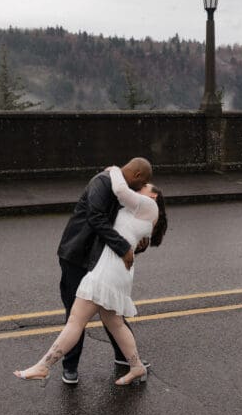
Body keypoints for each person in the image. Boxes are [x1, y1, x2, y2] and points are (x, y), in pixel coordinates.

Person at [15, 166, 167, 387]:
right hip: (116, 270)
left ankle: (44, 366)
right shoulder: (136, 207)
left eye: (143, 186)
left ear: (152, 196)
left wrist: (114, 170)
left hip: (108, 270)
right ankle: (136, 367)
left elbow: (121, 190)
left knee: (76, 320)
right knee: (114, 322)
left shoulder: (146, 204)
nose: (139, 187)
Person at [55, 157, 153, 385]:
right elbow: (97, 218)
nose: (140, 189)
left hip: (101, 259)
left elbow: (124, 225)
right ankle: (70, 366)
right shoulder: (102, 182)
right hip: (77, 256)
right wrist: (123, 249)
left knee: (112, 307)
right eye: (142, 183)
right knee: (75, 313)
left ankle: (124, 357)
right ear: (137, 176)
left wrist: (138, 243)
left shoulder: (123, 191)